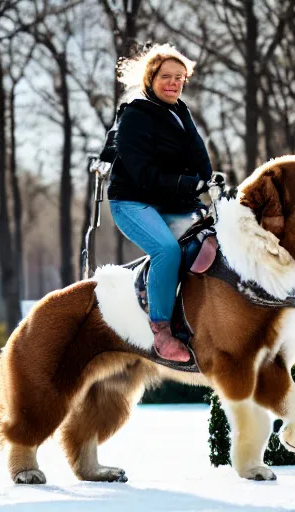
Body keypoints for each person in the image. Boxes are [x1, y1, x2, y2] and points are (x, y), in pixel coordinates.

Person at [108, 43, 213, 362]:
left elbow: (200, 162)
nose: (173, 83)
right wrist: (184, 182)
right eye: (166, 76)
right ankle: (162, 331)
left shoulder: (180, 112)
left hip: (170, 201)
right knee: (166, 250)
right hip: (132, 201)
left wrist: (204, 178)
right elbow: (142, 173)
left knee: (208, 242)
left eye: (180, 77)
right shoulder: (135, 115)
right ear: (150, 79)